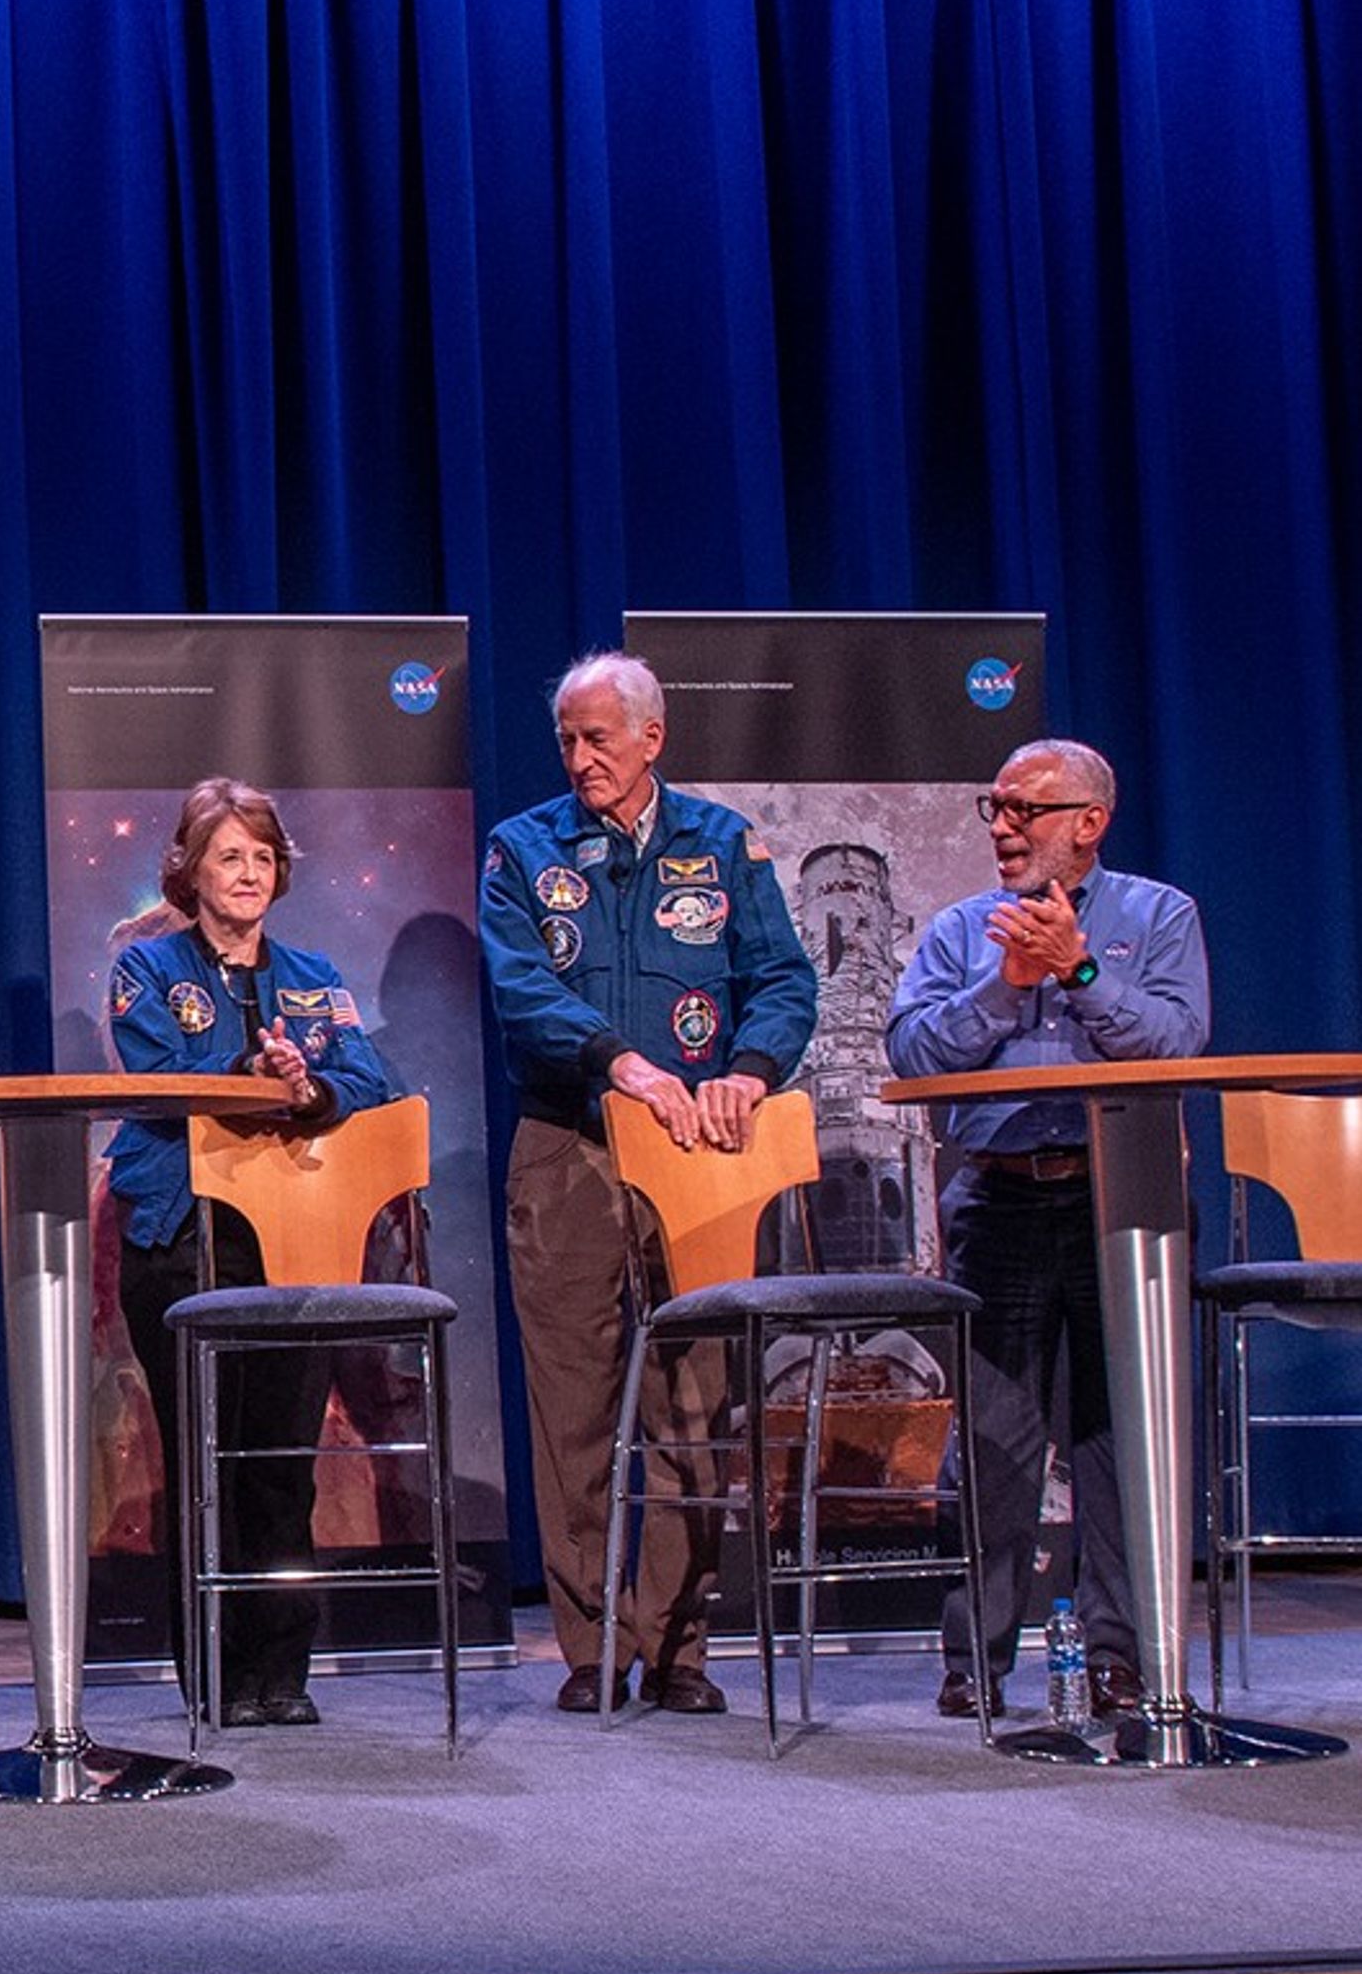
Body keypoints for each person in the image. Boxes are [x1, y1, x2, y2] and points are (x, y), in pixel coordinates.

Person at [480, 651, 817, 1715]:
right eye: (568, 741)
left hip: (698, 1156)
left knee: (694, 1404)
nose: (581, 758)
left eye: (599, 739)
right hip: (571, 1140)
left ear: (651, 739)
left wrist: (750, 1073)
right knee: (574, 1407)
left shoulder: (723, 846)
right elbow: (523, 986)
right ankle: (592, 1646)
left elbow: (783, 979)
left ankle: (677, 1644)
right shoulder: (523, 849)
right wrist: (621, 1064)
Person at [887, 739, 1206, 1720]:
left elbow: (1177, 1041)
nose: (1001, 826)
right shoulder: (959, 930)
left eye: (1024, 809)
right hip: (1000, 1197)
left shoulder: (1160, 916)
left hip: (1122, 1200)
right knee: (995, 1441)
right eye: (995, 807)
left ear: (1088, 822)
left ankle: (1123, 1658)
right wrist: (1004, 984)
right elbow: (913, 1050)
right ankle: (975, 1661)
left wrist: (1076, 974)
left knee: (1119, 1437)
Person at [107, 780, 400, 1726]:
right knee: (204, 1460)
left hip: (297, 1241)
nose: (247, 874)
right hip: (184, 1242)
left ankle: (285, 1672)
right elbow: (155, 1076)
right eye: (228, 856)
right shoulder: (145, 968)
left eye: (262, 858)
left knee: (282, 1461)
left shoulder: (312, 974)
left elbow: (370, 1075)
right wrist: (249, 1074)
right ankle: (217, 1676)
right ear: (189, 871)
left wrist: (307, 1089)